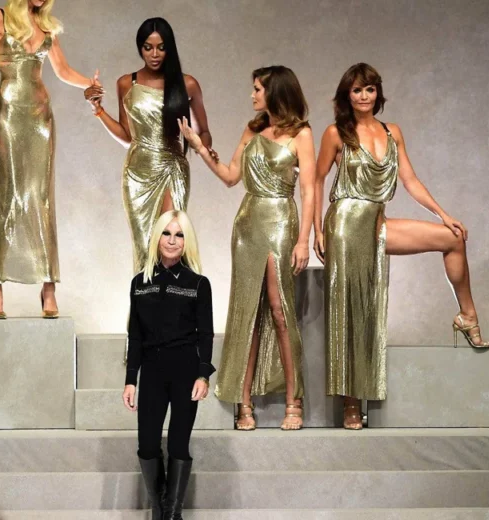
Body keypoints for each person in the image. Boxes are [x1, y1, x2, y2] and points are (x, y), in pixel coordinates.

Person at [314, 63, 489, 429]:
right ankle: (351, 404)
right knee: (354, 309)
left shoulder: (392, 132)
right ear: (346, 95)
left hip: (376, 221)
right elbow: (315, 182)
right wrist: (316, 230)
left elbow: (409, 179)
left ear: (378, 93)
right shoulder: (336, 133)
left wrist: (444, 214)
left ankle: (467, 317)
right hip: (345, 222)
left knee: (453, 238)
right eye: (357, 90)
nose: (364, 96)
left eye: (370, 89)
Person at [179, 66, 316, 430]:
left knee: (280, 309)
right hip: (248, 223)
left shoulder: (302, 134)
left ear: (275, 91)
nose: (252, 95)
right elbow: (230, 176)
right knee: (247, 311)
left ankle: (294, 400)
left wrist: (304, 239)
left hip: (282, 220)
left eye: (257, 89)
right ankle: (243, 402)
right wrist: (198, 146)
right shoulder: (252, 129)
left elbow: (309, 190)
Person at [0, 0, 98, 318]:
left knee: (42, 198)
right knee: (8, 197)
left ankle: (49, 288)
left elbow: (62, 71)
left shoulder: (47, 26)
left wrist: (90, 85)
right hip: (8, 115)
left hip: (41, 119)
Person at [85, 18, 213, 273]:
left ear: (169, 48)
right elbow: (127, 136)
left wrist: (203, 148)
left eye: (161, 47)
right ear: (140, 48)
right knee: (144, 247)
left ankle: (172, 298)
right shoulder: (126, 83)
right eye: (148, 47)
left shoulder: (187, 84)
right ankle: (145, 299)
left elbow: (205, 132)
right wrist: (98, 110)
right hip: (137, 172)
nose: (154, 54)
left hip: (172, 168)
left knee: (170, 241)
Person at [122, 210, 213, 520]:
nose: (172, 241)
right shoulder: (140, 283)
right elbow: (135, 335)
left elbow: (206, 333)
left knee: (178, 444)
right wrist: (130, 379)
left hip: (186, 372)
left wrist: (203, 374)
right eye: (167, 233)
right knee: (147, 445)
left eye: (179, 235)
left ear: (187, 242)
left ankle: (172, 515)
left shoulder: (198, 284)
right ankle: (160, 511)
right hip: (152, 372)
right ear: (157, 237)